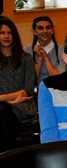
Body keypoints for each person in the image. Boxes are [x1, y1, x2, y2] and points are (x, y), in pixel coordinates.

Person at [0, 17, 38, 152]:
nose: (6, 36)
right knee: (2, 109)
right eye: (2, 33)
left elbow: (27, 90)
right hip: (6, 107)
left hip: (23, 107)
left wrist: (5, 98)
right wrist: (11, 100)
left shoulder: (26, 59)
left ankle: (7, 156)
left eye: (9, 33)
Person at [24, 16, 66, 84]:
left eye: (48, 28)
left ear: (52, 30)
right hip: (34, 92)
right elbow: (30, 81)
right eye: (40, 28)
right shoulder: (27, 50)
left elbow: (58, 79)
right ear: (34, 31)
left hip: (55, 91)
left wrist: (46, 58)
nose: (45, 31)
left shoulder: (61, 50)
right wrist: (40, 58)